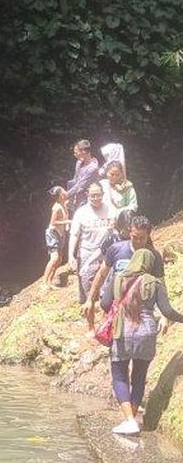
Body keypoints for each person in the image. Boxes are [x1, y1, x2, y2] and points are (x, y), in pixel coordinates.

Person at [101, 249, 183, 435]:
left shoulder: (118, 279)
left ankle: (129, 420)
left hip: (122, 332)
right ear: (150, 264)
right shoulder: (155, 283)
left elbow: (104, 304)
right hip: (146, 332)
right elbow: (168, 312)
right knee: (139, 375)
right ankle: (132, 419)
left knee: (120, 374)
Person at [87, 215, 164, 318]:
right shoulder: (116, 249)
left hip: (139, 302)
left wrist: (164, 314)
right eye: (135, 237)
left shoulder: (154, 255)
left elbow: (160, 283)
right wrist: (90, 299)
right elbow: (101, 274)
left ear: (148, 236)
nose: (138, 242)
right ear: (129, 232)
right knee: (105, 304)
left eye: (142, 238)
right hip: (115, 298)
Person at [68, 182, 117, 332]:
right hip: (87, 255)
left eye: (98, 195)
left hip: (107, 255)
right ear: (87, 195)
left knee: (108, 292)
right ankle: (90, 327)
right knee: (88, 294)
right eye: (92, 195)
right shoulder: (81, 213)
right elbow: (74, 235)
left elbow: (118, 232)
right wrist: (71, 256)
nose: (96, 198)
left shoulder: (112, 210)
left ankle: (105, 326)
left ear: (103, 194)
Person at [41, 186, 71, 289]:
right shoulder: (57, 207)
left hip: (60, 233)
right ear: (61, 196)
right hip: (53, 233)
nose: (66, 192)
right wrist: (66, 221)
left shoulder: (63, 204)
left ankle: (50, 281)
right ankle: (44, 283)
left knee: (59, 259)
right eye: (64, 191)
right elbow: (52, 222)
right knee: (54, 258)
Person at [66, 139, 100, 212]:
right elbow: (75, 181)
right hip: (76, 200)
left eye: (76, 152)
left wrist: (65, 195)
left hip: (87, 201)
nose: (75, 154)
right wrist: (70, 199)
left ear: (83, 152)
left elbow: (80, 185)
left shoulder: (93, 168)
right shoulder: (79, 163)